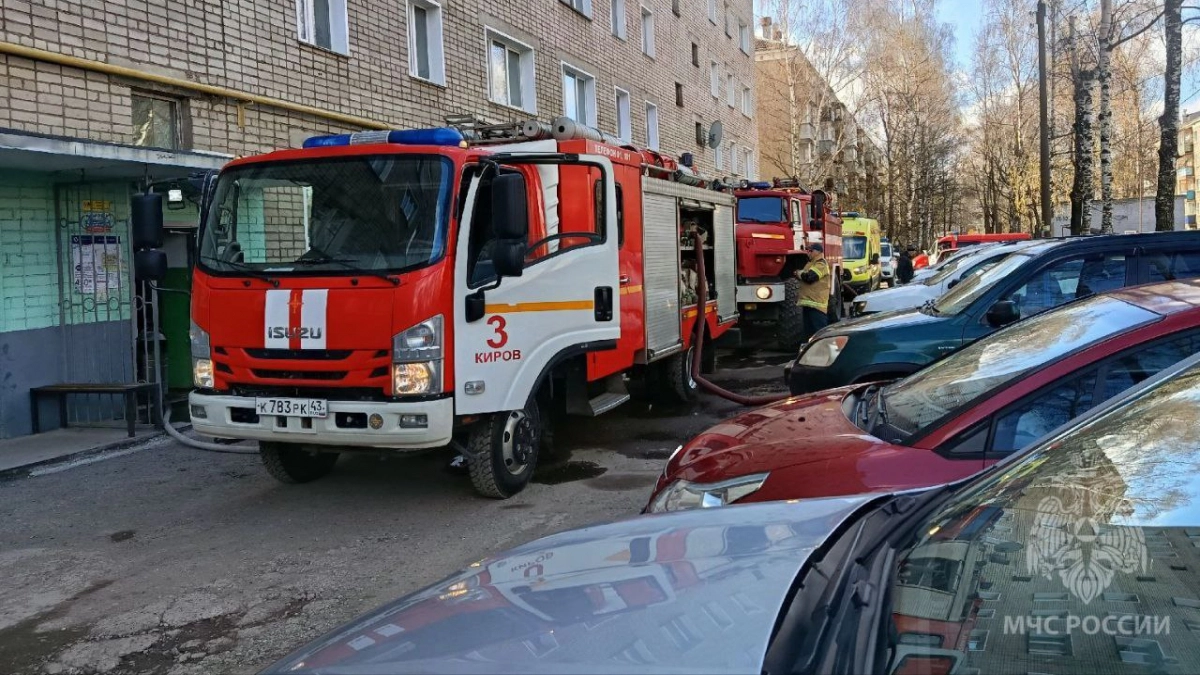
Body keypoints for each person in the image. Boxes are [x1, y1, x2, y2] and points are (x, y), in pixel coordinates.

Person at [795, 243, 831, 342]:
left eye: (811, 251)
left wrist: (799, 273)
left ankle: (824, 351)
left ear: (818, 252)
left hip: (817, 306)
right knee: (809, 334)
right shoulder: (811, 263)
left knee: (819, 333)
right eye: (808, 250)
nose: (808, 252)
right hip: (808, 304)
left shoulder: (821, 264)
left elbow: (810, 277)